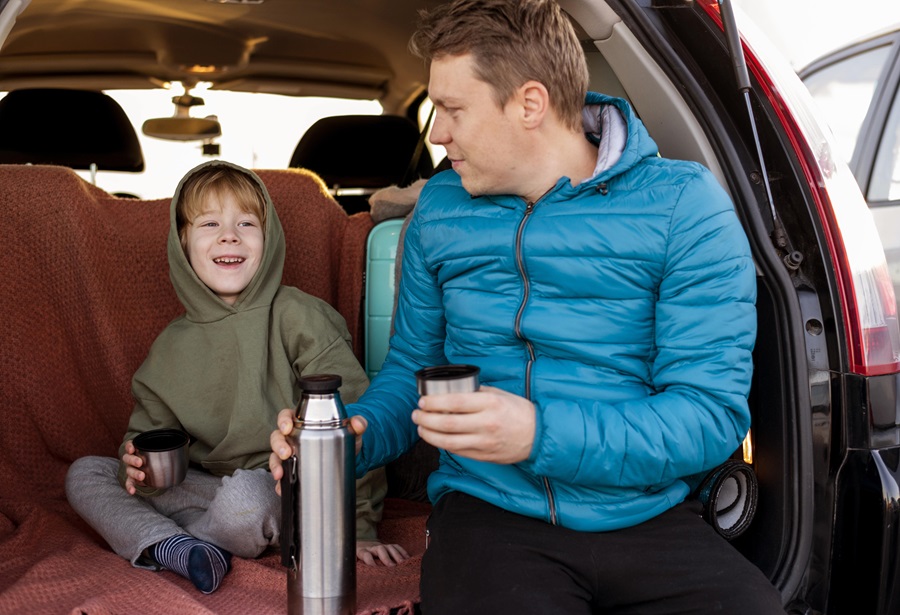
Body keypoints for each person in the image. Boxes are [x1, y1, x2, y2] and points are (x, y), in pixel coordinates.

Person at [270, 0, 786, 612]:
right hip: (489, 513)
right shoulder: (439, 210)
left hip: (645, 512)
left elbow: (707, 416)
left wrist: (538, 434)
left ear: (530, 104)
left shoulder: (685, 208)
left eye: (453, 109)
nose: (436, 133)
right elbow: (411, 374)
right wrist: (350, 436)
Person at [66, 160, 408, 595]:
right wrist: (135, 463)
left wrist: (356, 528)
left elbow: (352, 425)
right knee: (87, 472)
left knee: (246, 496)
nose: (229, 234)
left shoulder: (300, 316)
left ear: (269, 240)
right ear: (182, 243)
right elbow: (147, 437)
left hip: (286, 488)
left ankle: (179, 541)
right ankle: (176, 544)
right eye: (210, 223)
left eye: (246, 222)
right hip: (203, 489)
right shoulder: (169, 348)